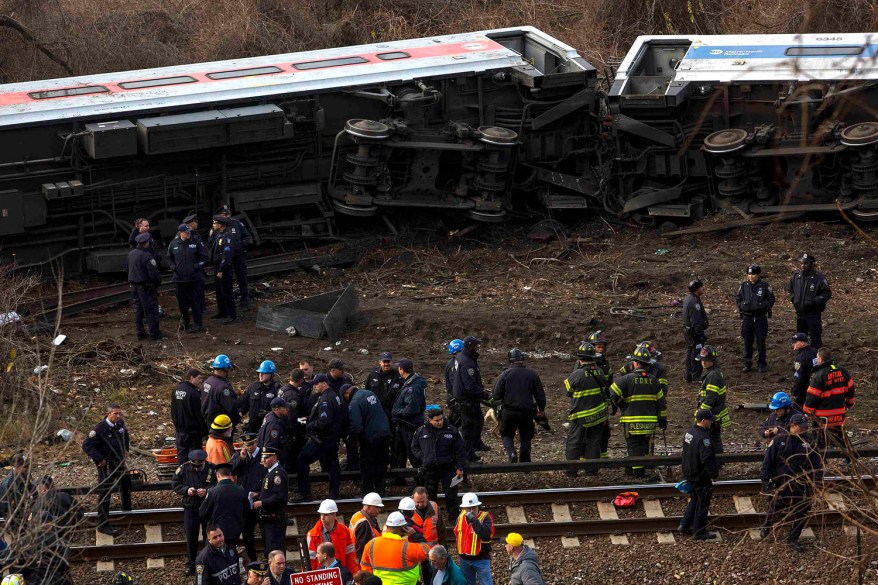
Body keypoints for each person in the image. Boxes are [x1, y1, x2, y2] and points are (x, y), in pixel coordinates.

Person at [760, 413, 822, 552]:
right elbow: (767, 462)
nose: (805, 429)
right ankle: (767, 527)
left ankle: (793, 538)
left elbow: (817, 464)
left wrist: (817, 482)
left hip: (801, 483)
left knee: (802, 510)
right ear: (793, 426)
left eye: (806, 427)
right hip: (782, 482)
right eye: (802, 427)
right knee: (776, 507)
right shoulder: (779, 440)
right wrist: (765, 480)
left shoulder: (809, 441)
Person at [610, 344, 666, 479]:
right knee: (643, 445)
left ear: (635, 363)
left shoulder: (626, 379)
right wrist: (662, 421)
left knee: (634, 445)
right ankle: (631, 467)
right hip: (650, 423)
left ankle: (638, 472)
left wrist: (622, 405)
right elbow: (661, 404)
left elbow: (612, 392)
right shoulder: (654, 381)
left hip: (632, 421)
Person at [82, 403, 132, 536]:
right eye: (115, 413)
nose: (118, 416)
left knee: (126, 483)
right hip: (107, 465)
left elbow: (125, 435)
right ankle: (103, 523)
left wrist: (125, 449)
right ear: (108, 414)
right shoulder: (99, 429)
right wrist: (99, 459)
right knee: (105, 493)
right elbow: (87, 446)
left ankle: (126, 510)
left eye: (119, 413)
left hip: (118, 461)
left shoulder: (120, 424)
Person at [411, 405, 467, 523]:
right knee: (430, 496)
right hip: (429, 469)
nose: (440, 422)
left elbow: (460, 450)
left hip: (448, 468)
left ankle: (454, 519)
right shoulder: (421, 431)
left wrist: (460, 467)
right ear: (430, 420)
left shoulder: (452, 431)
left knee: (451, 496)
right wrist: (423, 457)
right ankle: (431, 520)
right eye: (436, 420)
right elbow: (414, 447)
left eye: (441, 419)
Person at [563, 342, 610, 476]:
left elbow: (568, 391)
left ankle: (571, 470)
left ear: (580, 359)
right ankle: (591, 470)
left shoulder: (577, 374)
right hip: (599, 414)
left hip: (580, 416)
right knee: (594, 441)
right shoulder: (600, 372)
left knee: (574, 441)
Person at [492, 348, 546, 464]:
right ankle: (525, 461)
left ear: (510, 360)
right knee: (526, 436)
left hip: (508, 411)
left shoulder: (505, 374)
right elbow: (540, 396)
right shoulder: (532, 374)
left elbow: (496, 395)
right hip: (526, 412)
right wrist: (541, 409)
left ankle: (511, 453)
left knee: (506, 434)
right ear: (522, 359)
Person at [294, 374, 342, 502]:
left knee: (302, 460)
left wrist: (309, 425)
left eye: (316, 384)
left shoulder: (326, 398)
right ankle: (334, 493)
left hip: (323, 439)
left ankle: (305, 493)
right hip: (332, 438)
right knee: (333, 464)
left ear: (324, 383)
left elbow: (324, 421)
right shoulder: (335, 395)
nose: (314, 386)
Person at [803, 347, 856, 450]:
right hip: (839, 414)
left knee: (819, 440)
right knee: (840, 438)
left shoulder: (819, 375)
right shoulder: (842, 371)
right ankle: (847, 458)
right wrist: (849, 404)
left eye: (817, 357)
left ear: (821, 359)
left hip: (823, 416)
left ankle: (821, 460)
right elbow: (850, 388)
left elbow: (812, 396)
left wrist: (807, 411)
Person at [678, 409, 720, 540]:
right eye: (710, 420)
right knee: (703, 502)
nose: (711, 422)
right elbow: (707, 458)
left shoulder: (689, 433)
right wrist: (714, 473)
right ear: (703, 421)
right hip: (700, 475)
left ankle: (684, 525)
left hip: (689, 472)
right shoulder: (704, 438)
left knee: (696, 498)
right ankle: (699, 531)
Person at [173, 449, 215, 575]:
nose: (197, 468)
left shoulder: (212, 468)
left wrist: (207, 491)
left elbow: (217, 484)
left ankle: (209, 562)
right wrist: (186, 490)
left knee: (209, 536)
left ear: (204, 462)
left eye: (199, 466)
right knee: (191, 537)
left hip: (206, 507)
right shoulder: (184, 468)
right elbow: (175, 484)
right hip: (190, 507)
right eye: (194, 466)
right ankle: (191, 564)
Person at [345, 384, 391, 496]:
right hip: (385, 433)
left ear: (347, 393)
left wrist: (352, 439)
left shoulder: (354, 402)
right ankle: (381, 490)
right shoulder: (369, 393)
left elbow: (356, 425)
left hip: (371, 437)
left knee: (367, 465)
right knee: (381, 463)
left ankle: (367, 492)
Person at [360, 511, 429, 585]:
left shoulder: (372, 544)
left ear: (387, 526)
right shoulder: (407, 547)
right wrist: (414, 535)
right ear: (403, 528)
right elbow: (427, 552)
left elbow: (365, 565)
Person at [230, 432, 267, 562]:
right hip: (246, 502)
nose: (249, 447)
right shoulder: (240, 456)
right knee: (247, 534)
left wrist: (260, 494)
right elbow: (232, 470)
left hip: (261, 499)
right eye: (247, 445)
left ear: (256, 443)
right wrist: (241, 459)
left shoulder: (264, 455)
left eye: (251, 444)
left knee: (266, 532)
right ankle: (253, 560)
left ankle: (269, 558)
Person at [452, 336, 489, 462]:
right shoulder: (467, 362)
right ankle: (467, 455)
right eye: (475, 346)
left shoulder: (462, 358)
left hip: (466, 399)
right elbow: (470, 386)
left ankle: (472, 449)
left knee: (478, 421)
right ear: (470, 346)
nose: (477, 348)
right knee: (469, 428)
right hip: (467, 401)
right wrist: (485, 395)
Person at [199, 463, 249, 552]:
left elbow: (203, 513)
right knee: (232, 555)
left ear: (217, 475)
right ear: (230, 475)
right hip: (235, 530)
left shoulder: (213, 492)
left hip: (218, 532)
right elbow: (247, 511)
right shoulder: (240, 490)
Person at [168, 222, 208, 333]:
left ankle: (198, 325)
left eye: (189, 232)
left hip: (194, 279)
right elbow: (169, 258)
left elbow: (205, 257)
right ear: (181, 233)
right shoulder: (173, 244)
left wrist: (196, 266)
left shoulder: (196, 242)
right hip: (180, 280)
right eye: (186, 233)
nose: (188, 234)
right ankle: (185, 322)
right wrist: (173, 267)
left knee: (196, 303)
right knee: (182, 304)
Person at [736, 264, 776, 373]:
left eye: (753, 274)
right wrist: (742, 305)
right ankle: (747, 363)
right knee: (747, 341)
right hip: (747, 317)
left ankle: (762, 363)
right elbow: (738, 298)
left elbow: (771, 299)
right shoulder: (744, 285)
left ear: (758, 275)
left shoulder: (764, 286)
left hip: (760, 318)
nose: (751, 276)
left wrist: (762, 305)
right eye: (749, 274)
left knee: (761, 341)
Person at [787, 253, 831, 349]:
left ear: (811, 264)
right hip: (800, 313)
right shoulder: (796, 276)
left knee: (815, 337)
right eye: (801, 263)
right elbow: (790, 289)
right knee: (801, 337)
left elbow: (827, 293)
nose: (802, 265)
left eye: (805, 263)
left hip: (813, 314)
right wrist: (794, 299)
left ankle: (817, 358)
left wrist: (815, 301)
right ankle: (803, 358)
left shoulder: (818, 277)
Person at [215, 205, 253, 311]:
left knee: (242, 279)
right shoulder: (218, 226)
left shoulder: (236, 224)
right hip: (225, 258)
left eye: (228, 214)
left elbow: (247, 237)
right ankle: (229, 304)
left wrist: (240, 246)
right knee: (226, 282)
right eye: (224, 215)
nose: (227, 216)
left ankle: (245, 302)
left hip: (237, 256)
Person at [391, 358, 427, 472]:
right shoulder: (411, 382)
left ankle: (420, 479)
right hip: (405, 425)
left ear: (401, 370)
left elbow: (412, 409)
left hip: (410, 425)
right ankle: (400, 477)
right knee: (400, 451)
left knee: (413, 453)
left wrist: (397, 412)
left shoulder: (412, 387)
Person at [127, 231, 163, 340]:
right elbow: (153, 274)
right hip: (146, 287)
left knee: (138, 310)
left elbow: (128, 269)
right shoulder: (147, 255)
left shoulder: (131, 253)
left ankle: (140, 333)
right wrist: (156, 284)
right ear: (146, 242)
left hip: (134, 286)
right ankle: (154, 333)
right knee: (151, 310)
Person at [694, 345, 730, 455]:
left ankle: (714, 460)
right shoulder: (711, 373)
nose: (703, 362)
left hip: (711, 415)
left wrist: (700, 413)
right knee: (714, 438)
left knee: (710, 438)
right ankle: (718, 461)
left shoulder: (713, 375)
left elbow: (711, 398)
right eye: (702, 360)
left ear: (712, 361)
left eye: (707, 360)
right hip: (714, 413)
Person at [306, 499, 358, 574]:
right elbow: (310, 561)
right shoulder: (312, 534)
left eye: (326, 515)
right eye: (321, 514)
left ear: (334, 515)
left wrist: (352, 575)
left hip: (340, 573)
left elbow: (350, 556)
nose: (322, 518)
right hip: (321, 576)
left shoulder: (344, 531)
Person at [253, 449, 288, 556]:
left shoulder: (278, 474)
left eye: (266, 457)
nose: (263, 460)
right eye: (263, 457)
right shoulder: (271, 472)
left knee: (275, 548)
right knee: (270, 548)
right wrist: (259, 494)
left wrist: (262, 503)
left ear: (275, 457)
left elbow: (279, 497)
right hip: (268, 519)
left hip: (275, 519)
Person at [454, 493, 494, 585]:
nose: (471, 511)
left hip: (481, 559)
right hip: (464, 559)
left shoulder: (485, 517)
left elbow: (485, 534)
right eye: (468, 508)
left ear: (478, 506)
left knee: (486, 583)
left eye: (474, 508)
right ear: (464, 508)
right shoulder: (460, 517)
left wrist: (474, 520)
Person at [172, 369, 207, 464]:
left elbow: (173, 410)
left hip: (180, 430)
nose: (201, 381)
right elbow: (199, 414)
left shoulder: (177, 389)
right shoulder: (194, 393)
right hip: (193, 431)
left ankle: (182, 474)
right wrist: (204, 431)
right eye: (199, 378)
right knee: (195, 456)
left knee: (182, 455)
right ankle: (193, 476)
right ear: (191, 377)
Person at [208, 215, 237, 324]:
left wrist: (221, 269)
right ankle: (222, 311)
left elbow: (227, 255)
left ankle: (231, 315)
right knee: (219, 291)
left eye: (215, 223)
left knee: (226, 291)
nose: (213, 225)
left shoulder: (228, 236)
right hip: (218, 266)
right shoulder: (219, 235)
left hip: (224, 268)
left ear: (220, 225)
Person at [241, 360, 282, 434]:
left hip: (269, 427)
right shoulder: (253, 387)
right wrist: (239, 414)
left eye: (264, 373)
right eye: (260, 372)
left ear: (271, 374)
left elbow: (281, 410)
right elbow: (244, 405)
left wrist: (269, 413)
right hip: (253, 427)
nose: (260, 375)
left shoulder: (277, 389)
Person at [202, 355, 239, 431]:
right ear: (225, 369)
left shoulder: (207, 382)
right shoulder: (223, 387)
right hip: (221, 426)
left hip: (208, 423)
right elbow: (231, 407)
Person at [364, 351, 404, 422]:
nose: (386, 364)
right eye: (384, 361)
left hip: (391, 412)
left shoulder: (398, 376)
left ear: (391, 362)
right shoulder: (373, 374)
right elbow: (367, 391)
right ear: (380, 362)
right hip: (375, 410)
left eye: (388, 362)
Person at [682, 279, 708, 383]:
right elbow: (696, 321)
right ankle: (696, 377)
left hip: (688, 332)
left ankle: (688, 376)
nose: (703, 288)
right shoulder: (694, 302)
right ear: (697, 289)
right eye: (701, 287)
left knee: (690, 352)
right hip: (694, 333)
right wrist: (700, 334)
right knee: (696, 354)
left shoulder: (688, 298)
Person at [349, 493, 383, 562]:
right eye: (377, 507)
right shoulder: (364, 524)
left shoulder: (357, 515)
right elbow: (361, 549)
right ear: (368, 507)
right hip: (364, 564)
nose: (379, 510)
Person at [257, 398, 291, 465]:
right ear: (277, 409)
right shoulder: (274, 424)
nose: (286, 409)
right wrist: (272, 461)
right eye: (284, 407)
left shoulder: (269, 416)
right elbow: (270, 444)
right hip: (271, 459)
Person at [0, 453, 33, 523]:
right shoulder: (9, 484)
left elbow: (31, 490)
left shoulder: (24, 476)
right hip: (13, 521)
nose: (28, 468)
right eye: (26, 466)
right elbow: (5, 509)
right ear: (17, 467)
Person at [790, 333, 817, 405]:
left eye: (795, 342)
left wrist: (795, 391)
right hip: (818, 386)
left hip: (806, 391)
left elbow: (799, 377)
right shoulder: (815, 351)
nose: (793, 344)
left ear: (802, 343)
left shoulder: (801, 357)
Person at [444, 339, 464, 426]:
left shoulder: (451, 363)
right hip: (456, 399)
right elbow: (455, 383)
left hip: (453, 397)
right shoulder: (455, 365)